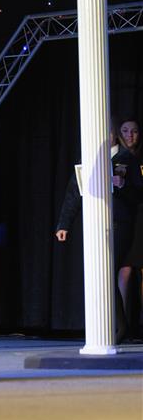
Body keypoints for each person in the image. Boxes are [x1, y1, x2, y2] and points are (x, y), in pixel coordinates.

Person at [55, 122, 142, 342]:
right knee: (101, 275)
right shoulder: (88, 159)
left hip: (120, 224)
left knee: (109, 271)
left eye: (107, 132)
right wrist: (64, 224)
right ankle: (115, 327)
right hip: (96, 225)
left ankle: (121, 328)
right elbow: (74, 192)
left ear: (113, 134)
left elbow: (138, 195)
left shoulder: (126, 159)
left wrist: (123, 185)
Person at [117, 118, 143, 338]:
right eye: (125, 131)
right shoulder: (116, 159)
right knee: (124, 269)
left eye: (134, 131)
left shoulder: (138, 159)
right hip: (128, 220)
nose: (130, 135)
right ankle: (122, 323)